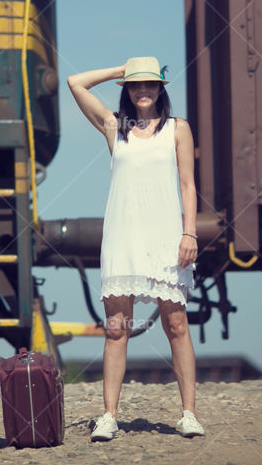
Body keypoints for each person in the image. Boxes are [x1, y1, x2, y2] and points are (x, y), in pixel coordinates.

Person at [66, 56, 206, 441]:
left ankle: (189, 413)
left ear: (161, 88)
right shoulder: (114, 127)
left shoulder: (178, 129)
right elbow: (75, 82)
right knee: (116, 328)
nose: (142, 91)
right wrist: (117, 71)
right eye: (134, 84)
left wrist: (189, 234)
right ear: (127, 89)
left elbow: (188, 186)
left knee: (176, 324)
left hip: (166, 236)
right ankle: (109, 415)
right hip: (122, 236)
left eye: (149, 84)